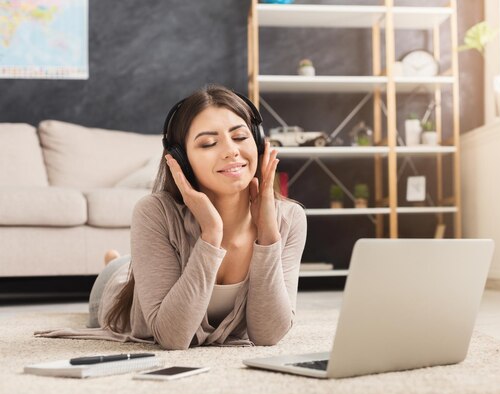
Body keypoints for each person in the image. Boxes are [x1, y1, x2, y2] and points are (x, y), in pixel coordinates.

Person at [35, 84, 307, 349]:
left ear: (258, 141)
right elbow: (172, 337)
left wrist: (268, 236)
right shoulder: (153, 212)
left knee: (133, 264)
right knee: (117, 273)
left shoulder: (290, 218)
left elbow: (268, 335)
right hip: (116, 294)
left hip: (160, 264)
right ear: (182, 160)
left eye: (240, 137)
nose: (231, 151)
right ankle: (115, 263)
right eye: (209, 143)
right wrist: (212, 234)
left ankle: (121, 260)